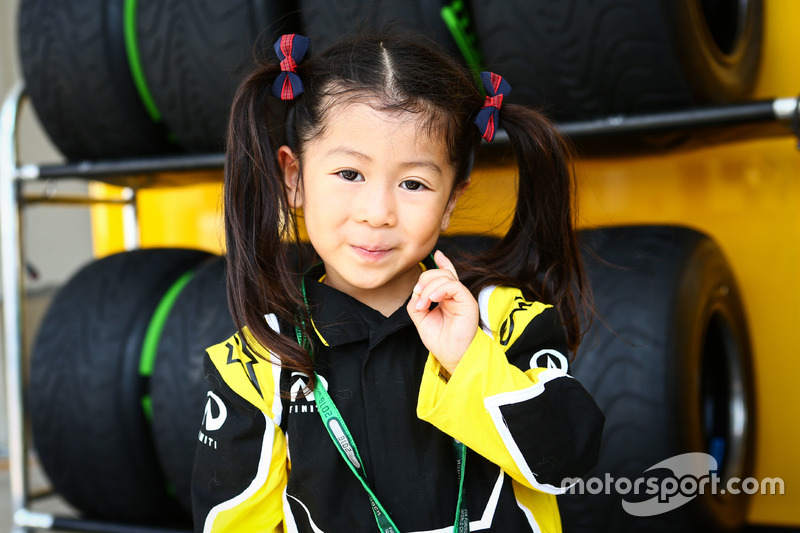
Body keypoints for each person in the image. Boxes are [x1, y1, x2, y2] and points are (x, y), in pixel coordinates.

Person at [192, 31, 605, 533]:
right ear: (294, 178)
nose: (377, 213)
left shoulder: (501, 318)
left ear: (451, 200)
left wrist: (468, 358)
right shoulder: (260, 360)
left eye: (413, 184)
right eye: (349, 174)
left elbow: (566, 460)